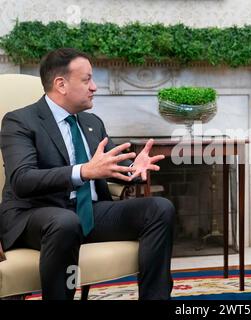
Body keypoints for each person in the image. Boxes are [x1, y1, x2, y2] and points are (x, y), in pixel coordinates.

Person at [0, 48, 175, 300]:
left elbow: (111, 165)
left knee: (159, 209)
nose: (94, 87)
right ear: (61, 84)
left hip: (89, 212)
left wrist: (135, 169)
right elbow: (22, 180)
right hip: (34, 215)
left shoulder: (92, 122)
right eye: (87, 80)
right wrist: (83, 172)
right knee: (65, 222)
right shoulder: (20, 121)